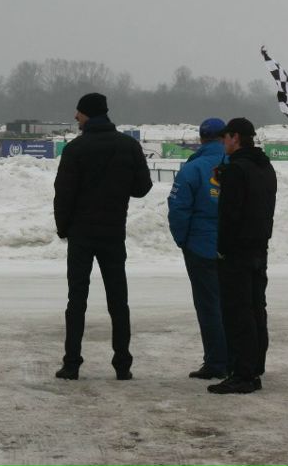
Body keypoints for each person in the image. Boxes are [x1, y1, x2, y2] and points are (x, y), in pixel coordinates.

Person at [53, 92, 153, 381]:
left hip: (82, 235)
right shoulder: (128, 146)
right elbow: (142, 188)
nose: (75, 117)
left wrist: (64, 229)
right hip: (112, 233)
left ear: (88, 114)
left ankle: (72, 363)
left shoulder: (76, 149)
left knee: (77, 301)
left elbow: (64, 194)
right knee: (118, 301)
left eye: (79, 112)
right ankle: (123, 364)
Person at [208, 117, 277, 395]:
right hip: (259, 246)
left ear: (235, 138)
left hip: (237, 250)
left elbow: (230, 215)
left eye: (226, 138)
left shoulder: (237, 170)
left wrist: (222, 249)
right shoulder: (265, 167)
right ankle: (254, 367)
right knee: (256, 308)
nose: (223, 142)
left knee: (237, 312)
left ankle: (242, 373)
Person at [167, 117, 228, 380]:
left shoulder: (193, 168)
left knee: (209, 306)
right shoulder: (237, 164)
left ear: (201, 139)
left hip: (201, 247)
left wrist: (184, 241)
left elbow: (178, 209)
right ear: (225, 137)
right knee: (234, 304)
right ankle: (238, 358)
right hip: (234, 246)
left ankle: (216, 361)